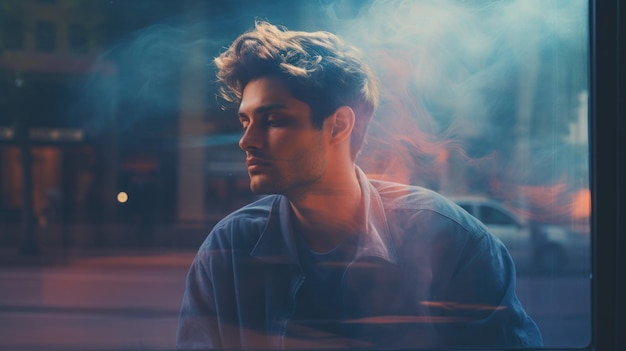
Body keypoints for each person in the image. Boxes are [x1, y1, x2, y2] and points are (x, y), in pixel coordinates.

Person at [176, 20, 543, 350]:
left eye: (274, 120)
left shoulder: (452, 240)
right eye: (245, 122)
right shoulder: (227, 250)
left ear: (338, 125)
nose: (247, 140)